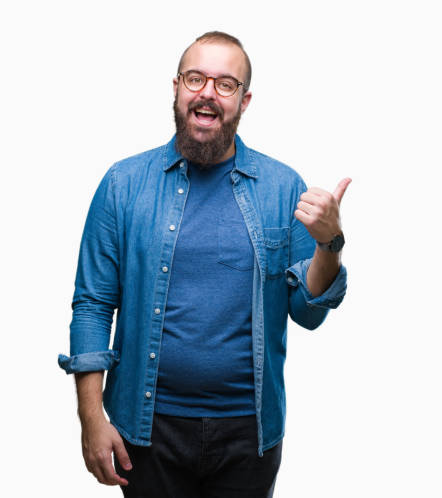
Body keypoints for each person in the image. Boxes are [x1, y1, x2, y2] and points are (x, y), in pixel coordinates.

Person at [58, 31, 349, 497]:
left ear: (244, 100)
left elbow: (307, 313)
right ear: (176, 87)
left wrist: (329, 243)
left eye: (226, 83)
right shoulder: (123, 184)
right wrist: (91, 419)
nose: (208, 92)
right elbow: (92, 304)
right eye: (196, 78)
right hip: (147, 427)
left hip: (248, 434)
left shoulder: (282, 187)